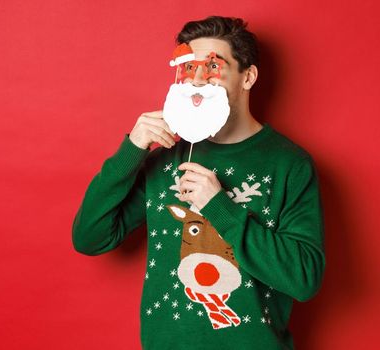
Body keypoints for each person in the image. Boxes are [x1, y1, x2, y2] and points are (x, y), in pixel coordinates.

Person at [72, 16, 324, 349]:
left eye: (213, 67)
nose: (199, 80)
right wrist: (131, 151)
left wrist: (218, 206)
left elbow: (304, 279)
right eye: (190, 69)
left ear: (247, 77)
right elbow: (90, 238)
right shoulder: (165, 158)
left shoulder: (289, 165)